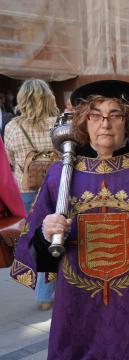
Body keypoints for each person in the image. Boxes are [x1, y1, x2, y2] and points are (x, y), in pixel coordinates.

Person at [10, 80, 129, 359]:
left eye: (115, 115)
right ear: (83, 122)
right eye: (95, 115)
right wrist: (45, 234)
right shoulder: (60, 175)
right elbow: (37, 256)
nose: (105, 124)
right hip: (78, 306)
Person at [4, 79, 59, 310]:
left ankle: (35, 282)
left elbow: (9, 161)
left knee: (34, 239)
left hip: (25, 190)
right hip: (56, 189)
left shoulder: (13, 126)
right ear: (49, 98)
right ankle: (45, 293)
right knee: (54, 236)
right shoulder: (59, 123)